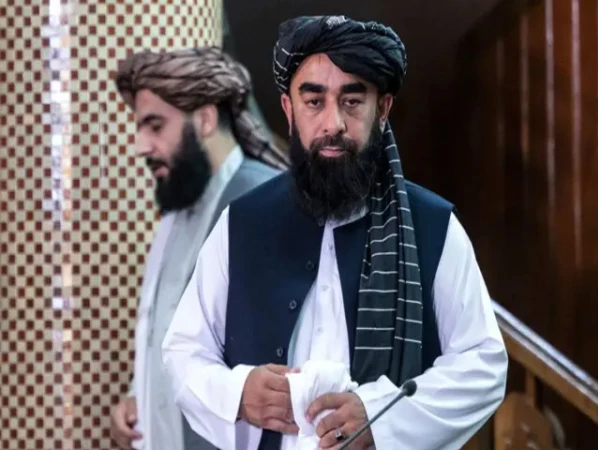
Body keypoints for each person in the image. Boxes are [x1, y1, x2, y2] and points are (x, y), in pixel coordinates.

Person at [162, 15, 508, 450]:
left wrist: (382, 417)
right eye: (314, 101)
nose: (333, 124)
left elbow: (483, 364)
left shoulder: (431, 227)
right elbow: (183, 351)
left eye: (352, 101)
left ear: (382, 109)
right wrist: (238, 393)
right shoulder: (242, 223)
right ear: (289, 109)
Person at [109, 47, 286, 450]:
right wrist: (141, 396)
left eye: (155, 126)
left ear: (205, 119)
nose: (141, 146)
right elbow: (173, 336)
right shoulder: (177, 212)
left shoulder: (261, 201)